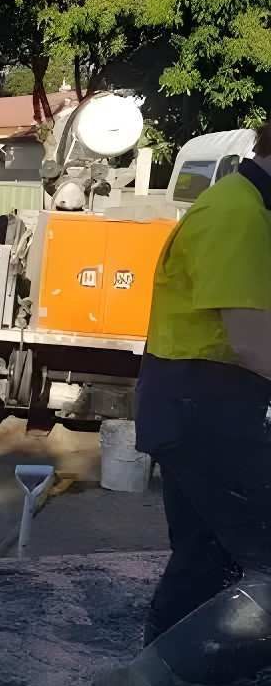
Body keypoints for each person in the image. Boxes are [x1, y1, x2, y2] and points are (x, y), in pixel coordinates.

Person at [135, 123, 271, 647]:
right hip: (202, 403)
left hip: (197, 401)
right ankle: (167, 682)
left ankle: (152, 685)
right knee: (256, 556)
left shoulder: (248, 208)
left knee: (206, 556)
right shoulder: (237, 215)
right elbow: (254, 344)